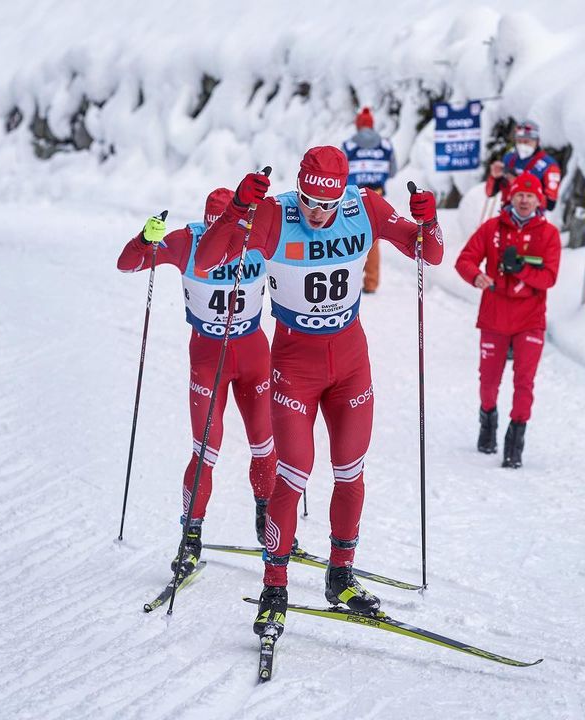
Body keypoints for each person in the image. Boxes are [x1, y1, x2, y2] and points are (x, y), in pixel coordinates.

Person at [196, 147, 443, 639]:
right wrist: (238, 211)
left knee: (350, 470)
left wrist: (429, 221)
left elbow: (428, 252)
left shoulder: (364, 207)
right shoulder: (273, 213)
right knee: (294, 475)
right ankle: (275, 586)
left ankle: (341, 574)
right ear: (300, 188)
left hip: (351, 364)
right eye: (309, 201)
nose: (316, 213)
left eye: (326, 205)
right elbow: (206, 261)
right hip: (294, 367)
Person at [117, 188, 278, 575]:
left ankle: (268, 518)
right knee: (206, 448)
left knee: (264, 442)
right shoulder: (187, 241)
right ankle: (191, 536)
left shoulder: (258, 236)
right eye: (210, 231)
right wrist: (145, 239)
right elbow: (127, 264)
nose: (216, 242)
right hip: (209, 360)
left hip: (254, 353)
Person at [455, 173, 561, 468]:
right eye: (519, 195)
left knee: (524, 382)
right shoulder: (492, 228)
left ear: (539, 200)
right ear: (510, 198)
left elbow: (549, 277)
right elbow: (464, 260)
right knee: (488, 382)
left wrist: (521, 270)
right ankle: (487, 421)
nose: (525, 200)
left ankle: (515, 442)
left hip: (530, 319)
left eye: (531, 196)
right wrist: (476, 276)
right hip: (494, 317)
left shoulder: (548, 234)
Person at [342, 107, 397, 293]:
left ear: (358, 126)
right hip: (376, 196)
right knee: (373, 239)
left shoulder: (349, 146)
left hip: (352, 196)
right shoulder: (386, 146)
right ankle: (371, 282)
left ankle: (347, 283)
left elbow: (341, 170)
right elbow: (393, 171)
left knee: (348, 237)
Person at [484, 119, 562, 212]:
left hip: (533, 219)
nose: (522, 145)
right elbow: (490, 193)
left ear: (536, 141)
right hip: (507, 216)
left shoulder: (549, 165)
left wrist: (520, 184)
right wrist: (494, 177)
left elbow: (550, 203)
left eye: (526, 141)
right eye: (519, 141)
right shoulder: (509, 158)